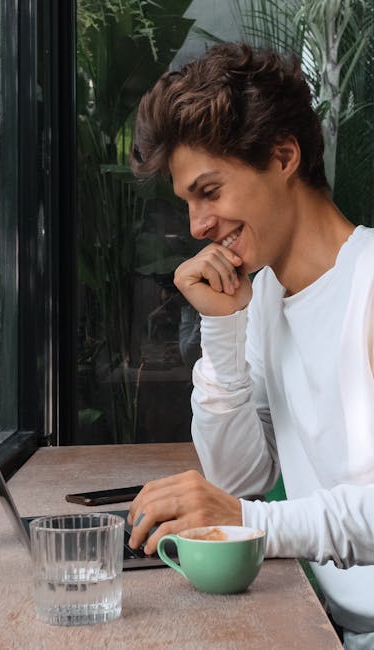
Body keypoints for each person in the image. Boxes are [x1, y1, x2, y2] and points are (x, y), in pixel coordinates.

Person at [127, 41, 374, 649]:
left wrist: (251, 522)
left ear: (283, 155)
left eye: (209, 192)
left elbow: (245, 509)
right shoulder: (263, 300)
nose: (196, 227)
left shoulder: (369, 287)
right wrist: (223, 326)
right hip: (327, 621)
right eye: (187, 202)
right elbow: (242, 478)